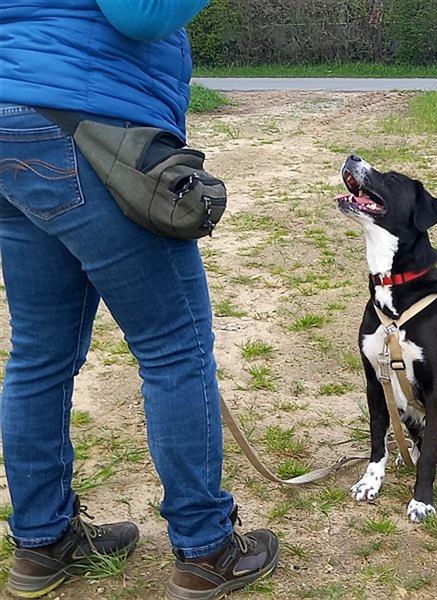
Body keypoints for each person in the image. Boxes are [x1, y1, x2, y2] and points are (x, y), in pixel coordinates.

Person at [0, 2, 279, 598]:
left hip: (10, 116)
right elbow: (142, 12)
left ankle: (42, 542)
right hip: (86, 125)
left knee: (38, 356)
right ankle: (207, 549)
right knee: (174, 349)